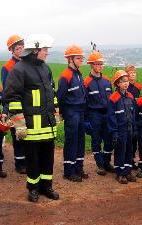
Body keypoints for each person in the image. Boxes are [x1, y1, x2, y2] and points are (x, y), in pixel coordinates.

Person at [4, 34, 59, 202]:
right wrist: (19, 124)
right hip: (31, 127)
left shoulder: (46, 68)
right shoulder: (19, 70)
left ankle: (46, 186)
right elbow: (12, 98)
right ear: (35, 50)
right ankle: (33, 188)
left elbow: (52, 93)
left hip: (47, 125)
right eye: (44, 50)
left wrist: (56, 115)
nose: (47, 53)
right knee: (32, 160)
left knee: (47, 158)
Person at [56, 45, 88, 182]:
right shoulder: (66, 76)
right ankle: (69, 171)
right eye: (78, 57)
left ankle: (78, 168)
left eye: (82, 57)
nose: (81, 60)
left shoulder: (78, 73)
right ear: (70, 59)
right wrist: (65, 113)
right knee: (71, 141)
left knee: (80, 140)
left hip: (80, 112)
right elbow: (60, 97)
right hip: (71, 112)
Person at [84, 50, 114, 176]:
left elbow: (112, 99)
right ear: (91, 65)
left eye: (101, 64)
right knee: (96, 140)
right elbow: (84, 103)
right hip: (94, 114)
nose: (100, 66)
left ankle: (107, 163)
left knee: (109, 140)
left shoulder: (107, 80)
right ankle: (100, 165)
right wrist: (86, 121)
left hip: (107, 114)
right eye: (97, 64)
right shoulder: (86, 82)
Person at [1, 35, 26, 174]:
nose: (21, 49)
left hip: (27, 104)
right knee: (18, 135)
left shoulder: (26, 63)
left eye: (22, 47)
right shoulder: (7, 67)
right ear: (11, 50)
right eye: (18, 48)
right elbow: (6, 90)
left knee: (26, 134)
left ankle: (26, 160)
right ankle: (20, 163)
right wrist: (7, 108)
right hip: (14, 105)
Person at [108, 70, 137, 184]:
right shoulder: (113, 98)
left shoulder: (130, 96)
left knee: (129, 151)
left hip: (129, 129)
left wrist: (134, 129)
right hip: (120, 130)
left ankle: (128, 170)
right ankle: (120, 173)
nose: (126, 83)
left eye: (127, 81)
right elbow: (111, 117)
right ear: (117, 83)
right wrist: (114, 132)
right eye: (123, 81)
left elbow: (133, 113)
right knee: (120, 151)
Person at [126, 65, 141, 170]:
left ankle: (132, 159)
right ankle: (127, 160)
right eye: (130, 72)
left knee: (135, 138)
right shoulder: (125, 86)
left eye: (134, 72)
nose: (133, 74)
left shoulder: (138, 87)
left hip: (136, 115)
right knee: (128, 139)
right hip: (128, 116)